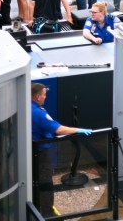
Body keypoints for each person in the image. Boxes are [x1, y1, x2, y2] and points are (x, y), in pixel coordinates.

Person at [31, 83, 92, 217]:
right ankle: (48, 214)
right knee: (45, 182)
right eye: (44, 94)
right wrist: (78, 130)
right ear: (37, 96)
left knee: (33, 181)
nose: (45, 97)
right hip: (40, 154)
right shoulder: (37, 113)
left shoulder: (26, 107)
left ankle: (34, 209)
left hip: (30, 153)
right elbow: (58, 130)